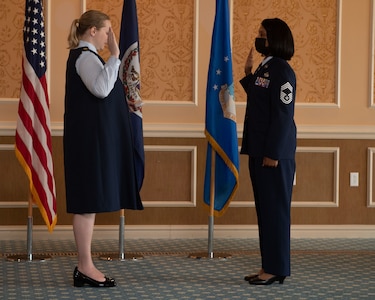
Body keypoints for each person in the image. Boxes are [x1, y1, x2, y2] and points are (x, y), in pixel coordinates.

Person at [64, 10, 143, 288]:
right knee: (86, 203)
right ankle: (85, 267)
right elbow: (100, 88)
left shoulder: (90, 57)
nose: (110, 36)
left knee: (90, 202)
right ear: (93, 31)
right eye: (108, 30)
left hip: (91, 143)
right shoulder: (85, 57)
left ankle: (85, 266)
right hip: (87, 145)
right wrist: (116, 55)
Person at [240, 18, 296, 285]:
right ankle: (270, 266)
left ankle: (275, 269)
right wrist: (248, 73)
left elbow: (283, 117)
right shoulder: (266, 68)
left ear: (275, 39)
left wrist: (273, 153)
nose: (258, 38)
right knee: (266, 212)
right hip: (258, 151)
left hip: (273, 156)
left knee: (275, 213)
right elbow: (259, 99)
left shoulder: (282, 71)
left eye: (262, 34)